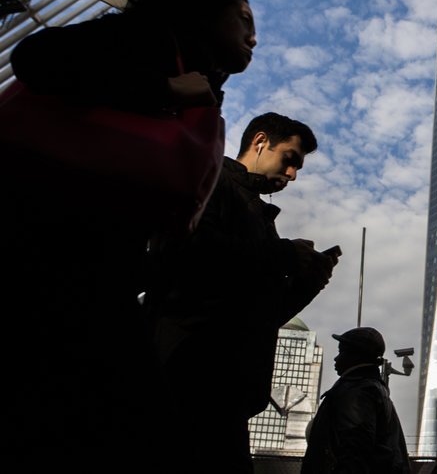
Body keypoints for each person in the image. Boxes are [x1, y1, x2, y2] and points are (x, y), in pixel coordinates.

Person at [3, 0, 255, 471]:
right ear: (206, 8)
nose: (254, 36)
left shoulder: (186, 69)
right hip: (41, 262)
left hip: (81, 272)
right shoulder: (148, 42)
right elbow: (35, 57)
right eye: (244, 18)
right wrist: (163, 87)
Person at [146, 112, 339, 473]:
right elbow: (181, 252)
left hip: (223, 391)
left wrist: (306, 284)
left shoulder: (255, 212)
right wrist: (283, 254)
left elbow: (258, 315)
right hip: (190, 377)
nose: (293, 175)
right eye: (290, 160)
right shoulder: (211, 178)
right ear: (260, 141)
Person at [302, 327, 412, 474]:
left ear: (355, 355)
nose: (336, 358)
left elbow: (355, 452)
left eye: (341, 352)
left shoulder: (357, 392)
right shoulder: (372, 389)